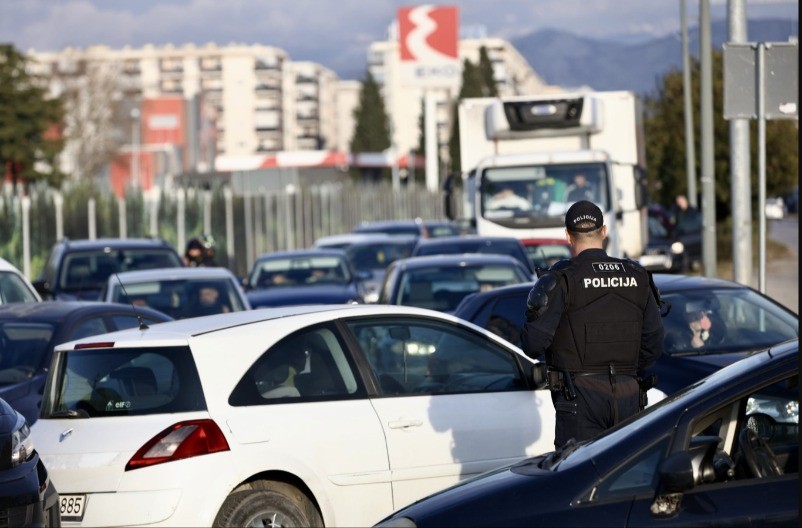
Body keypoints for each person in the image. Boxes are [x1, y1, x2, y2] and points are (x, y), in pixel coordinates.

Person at [521, 200, 664, 449]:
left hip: (580, 400)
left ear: (567, 235)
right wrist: (624, 370)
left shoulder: (562, 279)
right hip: (629, 394)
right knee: (627, 479)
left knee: (581, 481)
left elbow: (533, 344)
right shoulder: (637, 276)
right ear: (604, 232)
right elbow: (654, 342)